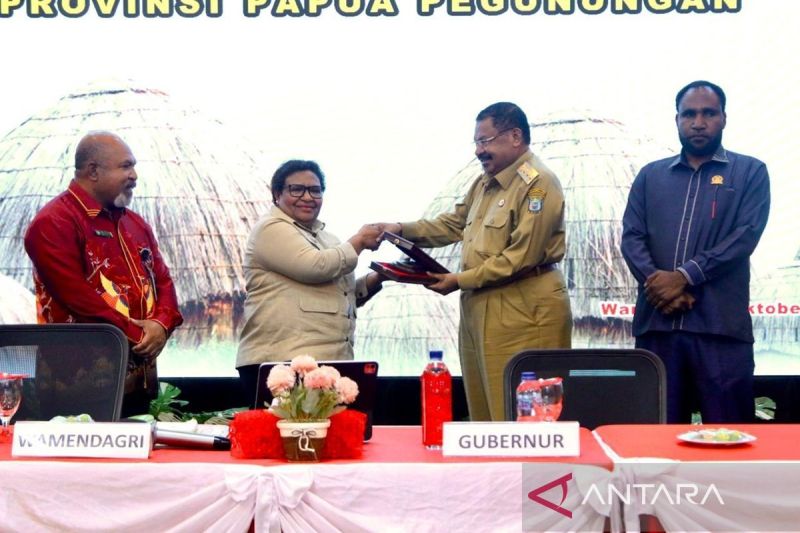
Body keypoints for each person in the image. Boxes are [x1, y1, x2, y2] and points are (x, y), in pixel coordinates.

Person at [374, 102, 572, 421]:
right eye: (476, 142)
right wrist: (400, 229)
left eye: (485, 141)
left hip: (526, 308)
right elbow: (453, 224)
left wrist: (459, 280)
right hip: (479, 305)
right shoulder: (483, 183)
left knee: (524, 415)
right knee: (484, 412)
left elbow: (522, 256)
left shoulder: (538, 183)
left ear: (515, 137)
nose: (479, 151)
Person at [621, 81, 771, 423]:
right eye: (689, 114)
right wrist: (660, 287)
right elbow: (631, 237)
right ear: (677, 119)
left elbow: (744, 237)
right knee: (655, 438)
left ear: (724, 118)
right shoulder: (650, 176)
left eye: (709, 113)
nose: (698, 122)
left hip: (719, 330)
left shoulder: (750, 172)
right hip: (658, 329)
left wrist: (684, 276)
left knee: (729, 435)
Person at [24, 131, 184, 416]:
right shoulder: (54, 222)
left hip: (139, 383)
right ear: (93, 171)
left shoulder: (135, 224)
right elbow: (78, 297)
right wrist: (140, 334)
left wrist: (161, 324)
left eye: (134, 167)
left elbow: (163, 280)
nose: (134, 175)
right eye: (126, 166)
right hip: (76, 387)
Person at [236, 160, 384, 398]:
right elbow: (316, 267)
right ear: (277, 194)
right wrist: (359, 241)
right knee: (289, 424)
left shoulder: (329, 238)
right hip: (281, 364)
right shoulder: (270, 228)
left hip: (330, 364)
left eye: (315, 190)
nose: (307, 197)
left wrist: (380, 276)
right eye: (297, 189)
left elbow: (341, 293)